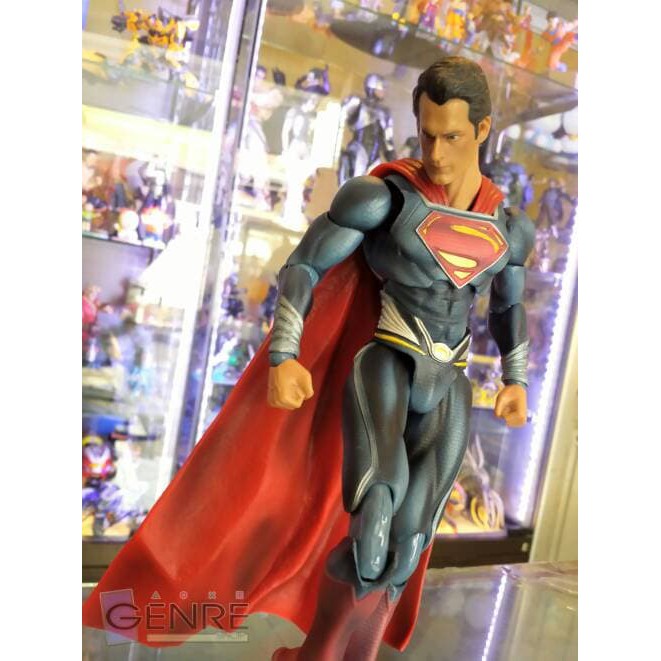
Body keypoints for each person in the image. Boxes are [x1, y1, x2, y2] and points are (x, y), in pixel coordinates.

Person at [82, 57, 534, 661]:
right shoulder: (385, 199)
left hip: (450, 382)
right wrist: (285, 354)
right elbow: (304, 266)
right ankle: (318, 653)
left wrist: (515, 378)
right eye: (426, 134)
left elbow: (508, 306)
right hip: (389, 364)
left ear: (482, 130)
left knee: (410, 541)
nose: (436, 153)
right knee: (374, 518)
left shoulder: (508, 227)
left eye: (451, 137)